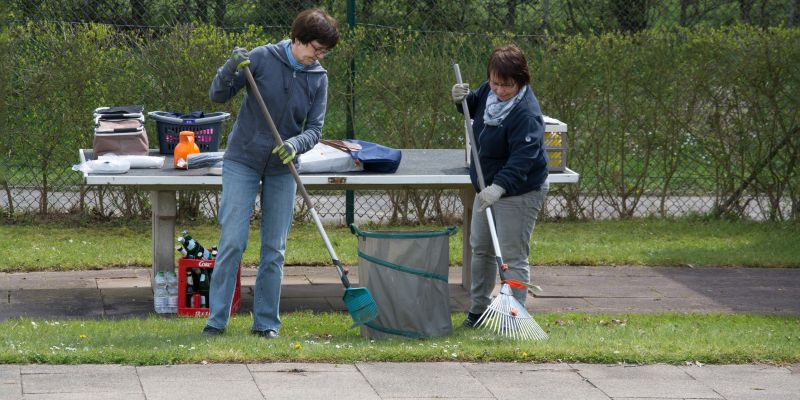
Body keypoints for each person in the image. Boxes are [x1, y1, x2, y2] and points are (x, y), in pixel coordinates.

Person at [202, 8, 339, 338]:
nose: (318, 57)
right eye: (315, 49)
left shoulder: (317, 78)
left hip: (283, 168)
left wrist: (295, 144)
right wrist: (228, 68)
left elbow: (315, 129)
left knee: (274, 250)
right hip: (243, 160)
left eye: (323, 52)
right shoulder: (262, 58)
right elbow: (217, 95)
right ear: (298, 39)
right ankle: (216, 321)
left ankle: (265, 324)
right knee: (233, 241)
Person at [451, 44, 549, 328]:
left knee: (512, 255)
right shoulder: (489, 91)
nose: (499, 90)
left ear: (521, 81)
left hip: (518, 191)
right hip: (486, 185)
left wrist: (499, 188)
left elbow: (523, 159)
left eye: (507, 85)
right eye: (494, 82)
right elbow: (472, 108)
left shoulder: (526, 114)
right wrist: (462, 100)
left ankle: (514, 316)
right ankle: (478, 309)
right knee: (480, 247)